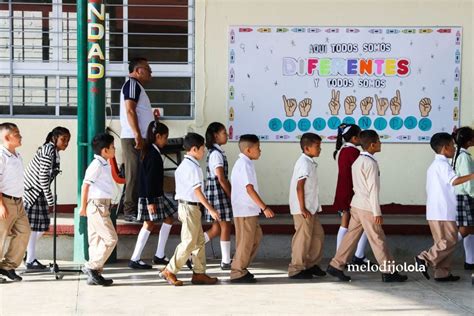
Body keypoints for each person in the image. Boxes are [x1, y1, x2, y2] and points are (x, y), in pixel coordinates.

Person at [327, 130, 407, 282]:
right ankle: (389, 272)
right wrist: (377, 212)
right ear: (372, 145)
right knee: (378, 239)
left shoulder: (358, 160)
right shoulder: (371, 163)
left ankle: (335, 265)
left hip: (356, 205)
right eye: (379, 141)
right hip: (367, 207)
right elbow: (373, 190)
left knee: (350, 237)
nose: (381, 143)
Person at [159, 133, 220, 286]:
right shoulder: (192, 167)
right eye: (202, 148)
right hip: (189, 207)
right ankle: (170, 270)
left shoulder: (186, 165)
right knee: (189, 242)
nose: (204, 151)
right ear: (194, 149)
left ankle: (199, 273)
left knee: (198, 241)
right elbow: (197, 191)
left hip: (189, 207)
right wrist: (211, 209)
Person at [415, 132, 474, 281]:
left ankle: (442, 273)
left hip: (436, 211)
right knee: (450, 241)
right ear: (445, 147)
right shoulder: (442, 165)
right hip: (443, 211)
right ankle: (425, 258)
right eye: (453, 146)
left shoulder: (435, 165)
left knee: (442, 242)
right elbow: (454, 181)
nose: (455, 149)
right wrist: (472, 175)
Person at [129, 121, 177, 269]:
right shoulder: (152, 154)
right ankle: (135, 258)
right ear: (158, 136)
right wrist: (150, 202)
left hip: (156, 195)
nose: (166, 140)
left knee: (169, 218)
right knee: (148, 223)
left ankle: (159, 255)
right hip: (151, 196)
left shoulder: (151, 151)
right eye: (165, 137)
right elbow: (149, 180)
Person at [23, 126, 70, 270]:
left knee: (41, 227)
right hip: (33, 192)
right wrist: (51, 199)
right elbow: (43, 176)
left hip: (39, 192)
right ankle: (30, 259)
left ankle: (27, 253)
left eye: (68, 140)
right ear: (54, 138)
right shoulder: (48, 150)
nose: (66, 143)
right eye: (63, 139)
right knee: (35, 227)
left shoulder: (54, 151)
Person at [230, 134, 275, 283]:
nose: (260, 151)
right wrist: (264, 207)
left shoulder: (247, 163)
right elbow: (249, 189)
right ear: (248, 150)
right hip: (244, 210)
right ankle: (237, 271)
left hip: (249, 210)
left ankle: (241, 266)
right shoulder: (243, 164)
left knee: (255, 237)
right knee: (245, 241)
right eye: (258, 148)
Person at [80, 133, 118, 286]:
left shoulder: (104, 163)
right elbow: (85, 186)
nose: (115, 149)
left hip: (102, 205)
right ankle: (91, 267)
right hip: (97, 206)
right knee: (111, 239)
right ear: (104, 150)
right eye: (113, 147)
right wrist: (83, 207)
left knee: (96, 241)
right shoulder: (96, 165)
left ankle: (95, 275)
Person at [119, 57, 154, 222]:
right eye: (148, 69)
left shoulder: (138, 87)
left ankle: (139, 209)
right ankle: (129, 210)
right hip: (133, 138)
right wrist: (138, 135)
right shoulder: (132, 85)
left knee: (141, 173)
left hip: (141, 138)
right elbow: (130, 111)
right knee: (133, 174)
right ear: (138, 70)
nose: (151, 73)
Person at [288, 133, 326, 279]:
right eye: (317, 146)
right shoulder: (304, 163)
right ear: (306, 148)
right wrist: (302, 208)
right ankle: (296, 268)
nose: (320, 149)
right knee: (302, 239)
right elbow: (299, 187)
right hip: (303, 209)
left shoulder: (309, 161)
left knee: (317, 235)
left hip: (311, 208)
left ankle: (310, 264)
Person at [332, 124, 371, 266]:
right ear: (355, 138)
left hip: (344, 190)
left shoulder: (342, 150)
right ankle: (352, 256)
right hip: (352, 192)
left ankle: (343, 256)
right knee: (364, 223)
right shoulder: (353, 152)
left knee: (347, 223)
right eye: (360, 135)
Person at [0, 123, 30, 282]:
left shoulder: (17, 155)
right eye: (16, 134)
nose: (20, 136)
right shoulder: (1, 155)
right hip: (4, 201)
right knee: (0, 236)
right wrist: (1, 205)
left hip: (18, 202)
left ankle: (8, 266)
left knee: (24, 232)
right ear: (6, 137)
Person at [203, 122, 233, 270]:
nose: (226, 135)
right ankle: (226, 261)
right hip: (218, 192)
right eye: (224, 132)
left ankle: (190, 251)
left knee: (216, 229)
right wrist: (230, 194)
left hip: (214, 192)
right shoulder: (216, 154)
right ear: (215, 135)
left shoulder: (217, 152)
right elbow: (221, 178)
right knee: (226, 225)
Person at [452, 127, 474, 270]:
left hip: (463, 196)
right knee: (465, 229)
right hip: (466, 196)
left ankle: (470, 261)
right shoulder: (464, 157)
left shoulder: (459, 153)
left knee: (471, 229)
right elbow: (468, 181)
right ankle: (434, 253)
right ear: (469, 141)